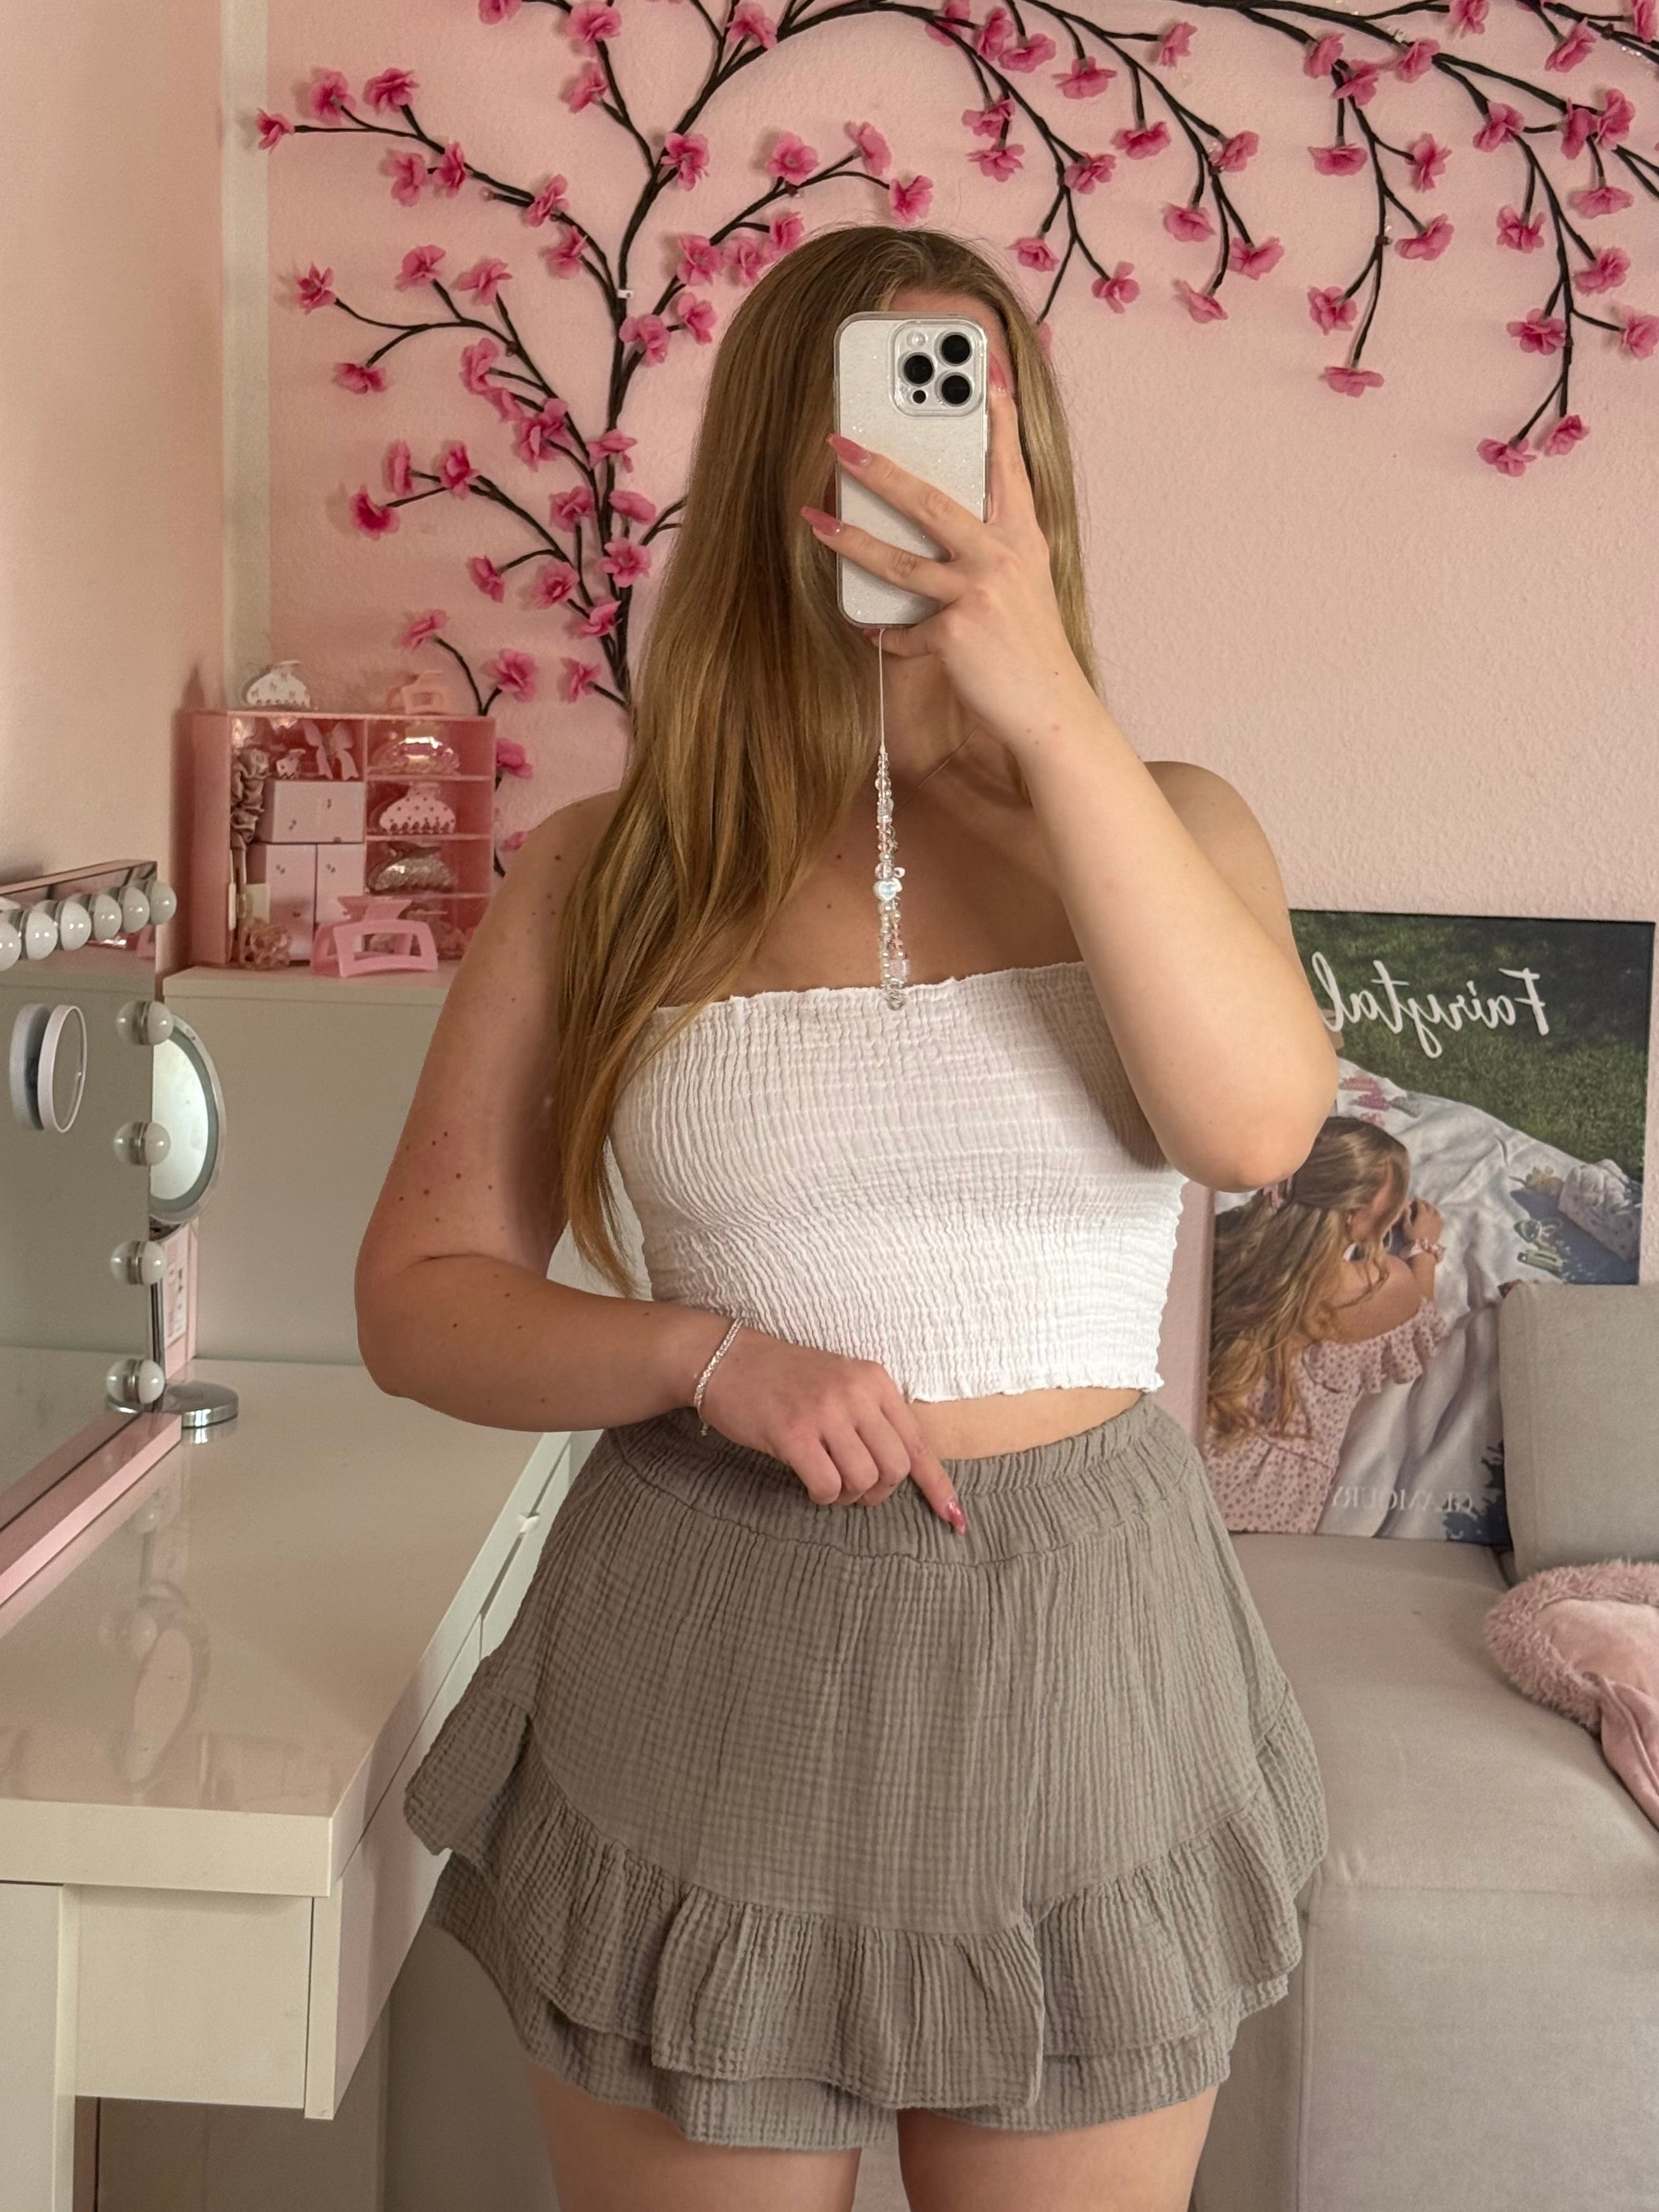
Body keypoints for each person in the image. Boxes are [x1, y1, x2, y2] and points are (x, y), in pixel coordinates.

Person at [356, 223, 1336, 2212]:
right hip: (701, 1652)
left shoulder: (1171, 820)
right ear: (770, 479)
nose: (917, 479)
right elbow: (420, 1298)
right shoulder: (607, 871)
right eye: (868, 429)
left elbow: (1250, 1129)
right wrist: (696, 1352)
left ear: (1030, 471)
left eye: (961, 426)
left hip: (1082, 1670)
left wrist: (1043, 710)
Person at [1204, 1116, 1451, 1535]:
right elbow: (1423, 1321)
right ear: (1355, 1217)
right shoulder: (1377, 1287)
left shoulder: (1226, 1243)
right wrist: (1423, 1248)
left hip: (1196, 1446)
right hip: (1270, 1501)